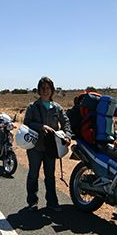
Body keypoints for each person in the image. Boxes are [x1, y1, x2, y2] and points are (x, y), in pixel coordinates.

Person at [23, 76, 72, 212]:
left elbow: (66, 122)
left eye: (48, 88)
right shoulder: (33, 107)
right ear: (39, 90)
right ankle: (32, 202)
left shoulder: (57, 108)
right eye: (43, 88)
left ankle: (52, 202)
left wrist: (67, 135)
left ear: (52, 90)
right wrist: (41, 126)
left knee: (50, 176)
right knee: (33, 174)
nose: (45, 91)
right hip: (35, 147)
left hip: (51, 147)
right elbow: (27, 123)